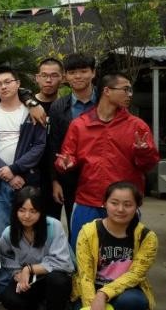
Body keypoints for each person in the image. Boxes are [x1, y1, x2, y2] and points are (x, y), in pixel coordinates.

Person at [55, 72, 159, 249]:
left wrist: (144, 152)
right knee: (82, 253)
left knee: (123, 257)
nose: (130, 94)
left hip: (123, 204)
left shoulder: (137, 125)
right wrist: (65, 163)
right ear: (107, 91)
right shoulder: (80, 124)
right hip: (87, 201)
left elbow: (149, 164)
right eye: (125, 89)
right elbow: (67, 156)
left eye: (130, 90)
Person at [72, 182, 158, 310]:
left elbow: (135, 274)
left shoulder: (147, 237)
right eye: (114, 203)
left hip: (125, 292)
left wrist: (103, 294)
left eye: (128, 204)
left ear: (137, 206)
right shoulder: (88, 232)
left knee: (134, 303)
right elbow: (85, 276)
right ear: (104, 203)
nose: (120, 209)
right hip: (91, 291)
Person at [0, 187, 73, 310]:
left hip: (53, 277)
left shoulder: (53, 226)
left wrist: (30, 269)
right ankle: (38, 308)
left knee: (58, 280)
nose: (27, 216)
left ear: (41, 211)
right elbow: (2, 255)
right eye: (22, 210)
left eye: (33, 211)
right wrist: (17, 272)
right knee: (9, 299)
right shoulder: (10, 232)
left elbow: (63, 262)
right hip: (31, 280)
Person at [0, 66, 46, 236]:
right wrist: (7, 174)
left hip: (26, 180)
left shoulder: (32, 112)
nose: (3, 87)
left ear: (18, 84)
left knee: (29, 231)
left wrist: (15, 169)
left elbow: (39, 145)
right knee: (1, 231)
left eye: (8, 82)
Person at [47, 53, 97, 226]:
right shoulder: (58, 106)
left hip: (101, 175)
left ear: (93, 73)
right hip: (71, 179)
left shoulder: (105, 101)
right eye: (72, 72)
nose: (78, 76)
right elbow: (54, 145)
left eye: (83, 71)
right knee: (75, 226)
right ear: (65, 76)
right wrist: (55, 181)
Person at [33, 58, 65, 220]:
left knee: (52, 222)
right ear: (37, 78)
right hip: (29, 174)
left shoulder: (66, 106)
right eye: (44, 75)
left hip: (56, 175)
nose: (48, 80)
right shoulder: (26, 104)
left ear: (62, 78)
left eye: (54, 75)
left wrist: (56, 179)